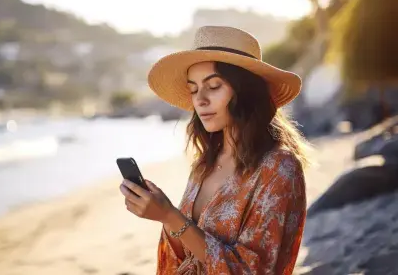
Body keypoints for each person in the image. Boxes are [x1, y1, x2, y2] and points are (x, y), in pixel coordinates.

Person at [119, 26, 311, 274]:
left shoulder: (279, 168)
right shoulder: (204, 164)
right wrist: (160, 213)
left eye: (215, 85)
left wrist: (170, 215)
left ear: (246, 92)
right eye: (194, 89)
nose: (200, 100)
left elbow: (252, 270)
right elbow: (182, 255)